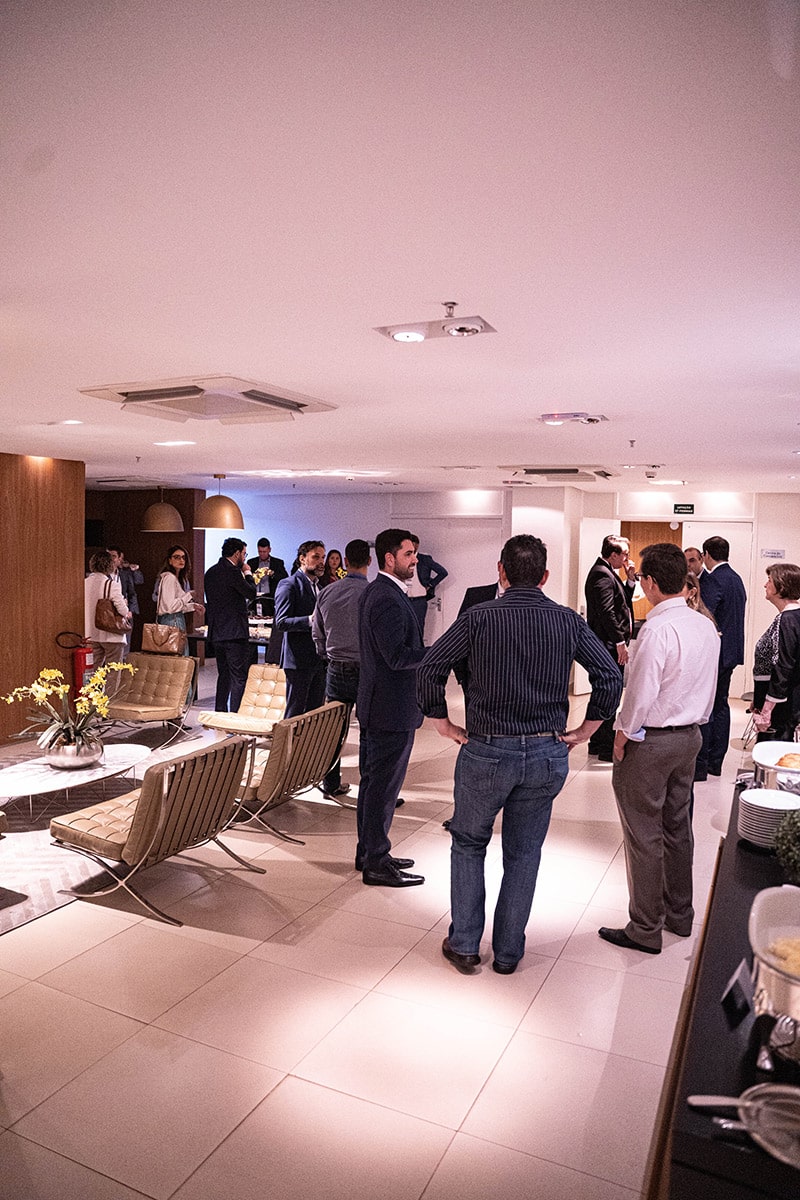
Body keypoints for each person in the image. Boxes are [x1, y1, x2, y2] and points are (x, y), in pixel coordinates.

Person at [417, 534, 621, 974]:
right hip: (547, 751)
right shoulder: (566, 620)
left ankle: (465, 943)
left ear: (501, 571)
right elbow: (609, 676)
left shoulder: (478, 617)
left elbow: (430, 667)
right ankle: (508, 952)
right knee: (524, 853)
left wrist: (442, 723)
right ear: (545, 576)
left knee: (469, 843)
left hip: (487, 750)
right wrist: (587, 729)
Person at [600, 543, 719, 955]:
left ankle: (645, 927)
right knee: (677, 828)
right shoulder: (704, 624)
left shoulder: (656, 628)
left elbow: (640, 693)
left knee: (643, 834)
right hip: (690, 737)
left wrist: (621, 735)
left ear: (649, 582)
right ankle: (679, 915)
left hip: (651, 741)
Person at [356, 528, 427, 886]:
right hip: (389, 708)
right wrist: (437, 653)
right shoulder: (386, 596)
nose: (415, 560)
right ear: (389, 558)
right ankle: (376, 862)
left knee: (375, 786)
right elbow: (396, 657)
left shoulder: (383, 591)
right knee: (382, 789)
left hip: (382, 705)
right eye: (409, 554)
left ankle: (370, 852)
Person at [311, 539, 371, 799]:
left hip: (335, 668)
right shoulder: (372, 593)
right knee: (369, 732)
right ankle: (370, 791)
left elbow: (317, 632)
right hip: (366, 671)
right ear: (369, 561)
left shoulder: (327, 592)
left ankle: (330, 784)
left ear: (345, 562)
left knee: (333, 730)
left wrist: (327, 656)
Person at [696, 536, 747, 778]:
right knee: (721, 705)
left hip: (716, 653)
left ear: (706, 554)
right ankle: (716, 761)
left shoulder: (713, 580)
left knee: (708, 707)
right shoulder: (736, 579)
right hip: (731, 651)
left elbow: (705, 616)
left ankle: (704, 761)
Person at [584, 534, 636, 761]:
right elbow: (607, 612)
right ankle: (604, 746)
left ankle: (597, 743)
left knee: (604, 692)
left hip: (608, 644)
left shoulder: (608, 573)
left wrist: (630, 580)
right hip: (607, 646)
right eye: (624, 554)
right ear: (613, 554)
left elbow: (622, 602)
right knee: (609, 693)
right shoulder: (601, 575)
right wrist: (619, 642)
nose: (627, 559)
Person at [274, 540, 327, 718]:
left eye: (323, 557)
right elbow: (281, 622)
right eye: (316, 557)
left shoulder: (320, 587)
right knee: (295, 714)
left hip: (318, 659)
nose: (321, 562)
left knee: (314, 713)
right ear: (302, 559)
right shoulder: (289, 584)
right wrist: (310, 620)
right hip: (298, 660)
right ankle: (287, 738)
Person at [204, 537, 256, 712]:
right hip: (234, 633)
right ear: (237, 553)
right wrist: (248, 573)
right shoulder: (233, 572)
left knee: (224, 674)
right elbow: (251, 592)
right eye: (244, 554)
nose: (245, 558)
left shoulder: (210, 572)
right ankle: (235, 715)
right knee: (238, 677)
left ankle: (220, 711)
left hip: (217, 632)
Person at [752, 563, 800, 741]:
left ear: (781, 586)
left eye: (769, 580)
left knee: (774, 751)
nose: (765, 585)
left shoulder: (786, 620)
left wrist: (766, 709)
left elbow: (783, 666)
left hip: (780, 708)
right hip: (788, 702)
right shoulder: (794, 617)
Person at [84, 550, 130, 669]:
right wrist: (126, 608)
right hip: (111, 635)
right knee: (113, 672)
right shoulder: (111, 585)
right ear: (110, 565)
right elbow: (122, 610)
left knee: (92, 671)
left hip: (91, 634)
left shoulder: (84, 584)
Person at [154, 544, 203, 656]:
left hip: (174, 620)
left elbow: (176, 605)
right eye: (177, 557)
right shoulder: (170, 578)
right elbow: (170, 607)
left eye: (183, 557)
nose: (181, 560)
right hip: (173, 621)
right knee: (176, 657)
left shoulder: (175, 578)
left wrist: (193, 606)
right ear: (169, 560)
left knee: (176, 656)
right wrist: (188, 595)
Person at [406, 535, 448, 636]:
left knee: (418, 628)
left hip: (419, 600)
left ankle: (418, 646)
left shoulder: (424, 559)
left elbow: (443, 572)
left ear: (417, 545)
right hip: (404, 598)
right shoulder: (402, 559)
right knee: (403, 627)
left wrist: (430, 584)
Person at [247, 537, 288, 617]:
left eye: (264, 552)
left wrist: (272, 573)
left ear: (269, 550)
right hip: (254, 598)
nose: (262, 554)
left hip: (270, 598)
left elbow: (285, 578)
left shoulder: (278, 563)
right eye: (260, 552)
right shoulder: (251, 562)